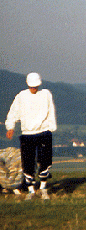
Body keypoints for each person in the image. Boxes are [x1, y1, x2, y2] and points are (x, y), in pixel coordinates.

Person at [5, 72, 56, 200]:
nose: (34, 88)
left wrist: (51, 127)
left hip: (44, 131)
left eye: (36, 86)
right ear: (28, 85)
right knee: (27, 161)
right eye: (32, 86)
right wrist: (10, 127)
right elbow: (13, 112)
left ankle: (43, 188)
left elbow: (51, 111)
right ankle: (31, 189)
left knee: (45, 160)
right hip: (27, 133)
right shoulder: (21, 96)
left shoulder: (46, 94)